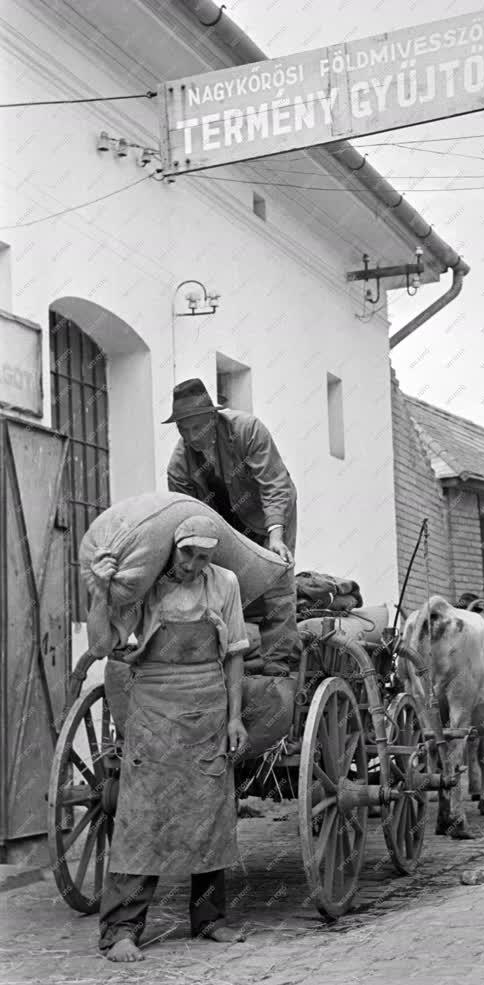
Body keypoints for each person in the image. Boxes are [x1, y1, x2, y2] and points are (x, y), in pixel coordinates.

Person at [87, 515, 250, 962]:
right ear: (171, 547)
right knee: (142, 817)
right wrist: (102, 591)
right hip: (153, 707)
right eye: (187, 553)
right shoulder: (145, 585)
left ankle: (209, 918)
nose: (195, 564)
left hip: (208, 707)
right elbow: (103, 646)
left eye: (204, 556)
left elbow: (234, 653)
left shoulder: (226, 584)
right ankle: (122, 928)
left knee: (209, 812)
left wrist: (235, 718)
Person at [165, 378, 301, 675]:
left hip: (268, 513)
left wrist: (276, 535)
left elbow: (275, 485)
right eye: (183, 430)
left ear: (212, 418)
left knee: (275, 571)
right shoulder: (178, 466)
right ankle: (227, 654)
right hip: (224, 524)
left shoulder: (248, 430)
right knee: (223, 581)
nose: (191, 437)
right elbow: (187, 518)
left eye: (196, 427)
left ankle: (280, 660)